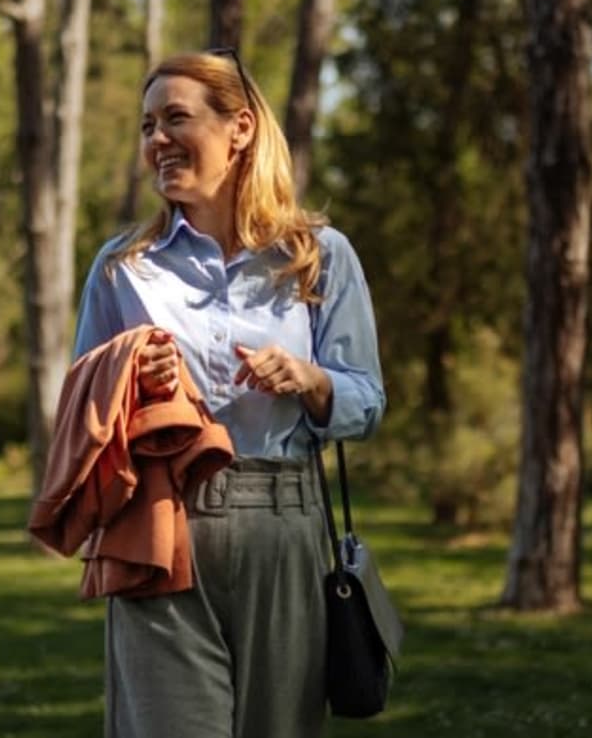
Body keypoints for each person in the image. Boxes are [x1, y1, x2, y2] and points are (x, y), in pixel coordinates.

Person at [73, 49, 385, 737]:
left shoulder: (318, 255)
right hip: (160, 526)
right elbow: (82, 413)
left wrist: (310, 380)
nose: (156, 140)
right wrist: (131, 385)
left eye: (175, 119)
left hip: (285, 527)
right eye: (147, 124)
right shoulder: (124, 268)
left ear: (239, 128)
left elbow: (367, 402)